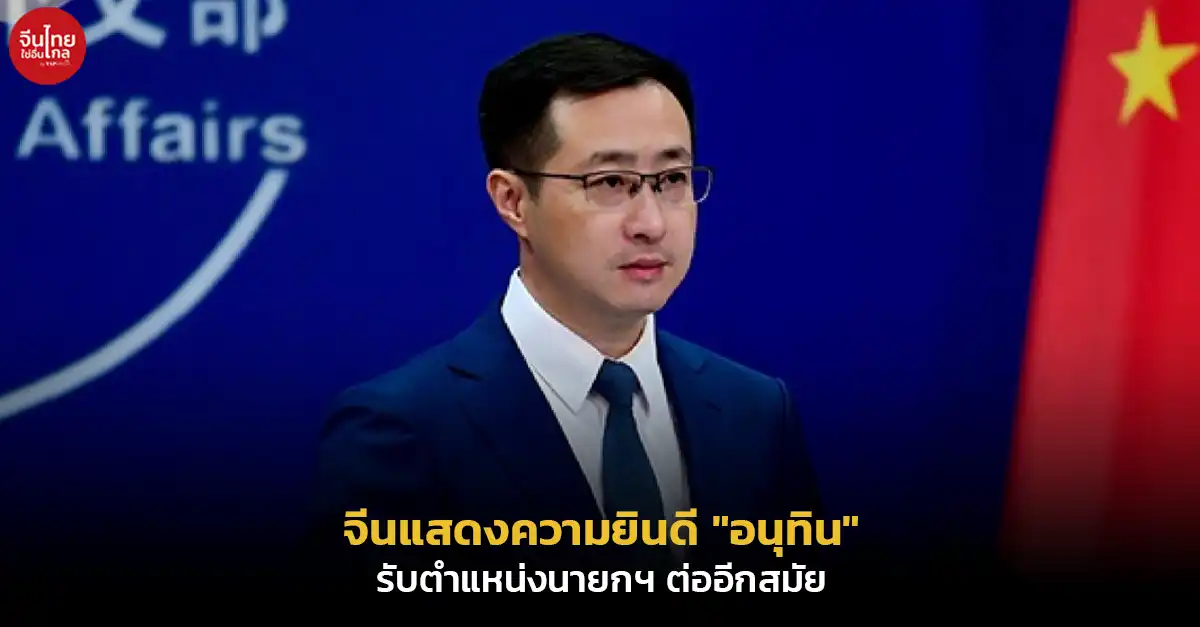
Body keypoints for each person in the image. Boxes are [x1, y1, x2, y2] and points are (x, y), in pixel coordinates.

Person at [305, 32, 823, 589]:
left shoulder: (757, 413)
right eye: (610, 182)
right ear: (513, 201)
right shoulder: (401, 430)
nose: (651, 222)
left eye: (672, 179)